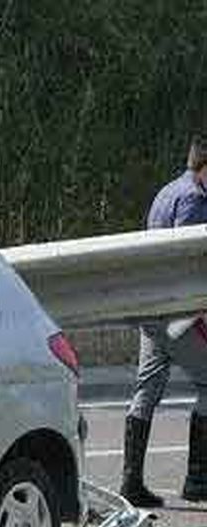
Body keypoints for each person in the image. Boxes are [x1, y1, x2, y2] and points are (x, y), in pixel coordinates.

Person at [120, 134, 207, 508]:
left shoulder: (167, 191)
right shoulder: (195, 199)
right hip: (175, 314)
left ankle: (130, 482)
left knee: (148, 387)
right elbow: (189, 259)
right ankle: (198, 480)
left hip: (149, 306)